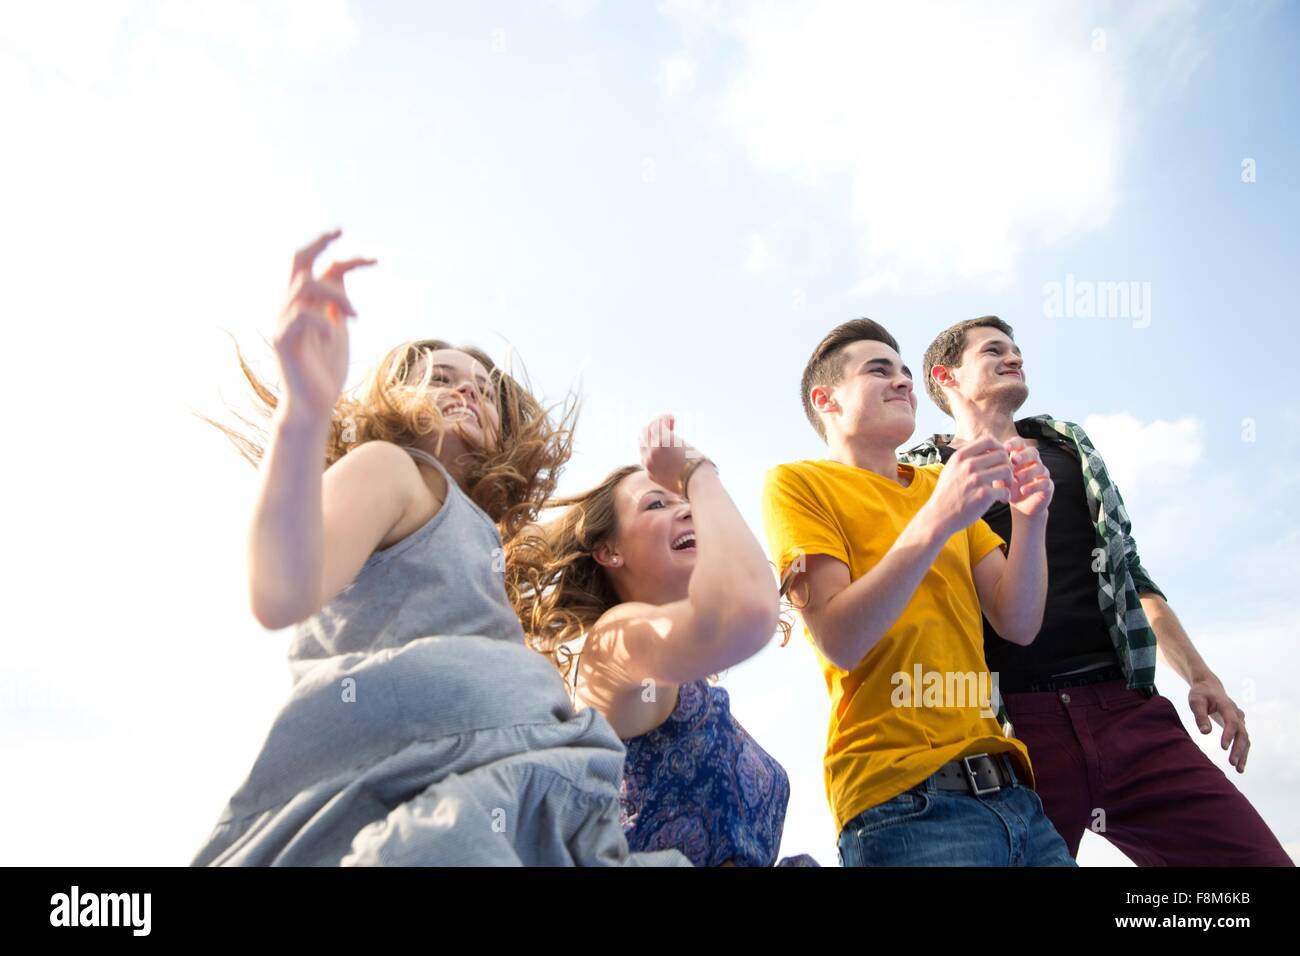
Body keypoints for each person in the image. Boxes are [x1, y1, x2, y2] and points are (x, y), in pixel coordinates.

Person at [191, 229, 689, 867]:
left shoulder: (479, 539)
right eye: (441, 377)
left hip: (523, 811)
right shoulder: (392, 469)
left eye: (483, 387)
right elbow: (282, 586)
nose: (468, 391)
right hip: (427, 814)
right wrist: (303, 408)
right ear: (392, 400)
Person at [898, 314, 1293, 866]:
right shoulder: (918, 475)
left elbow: (1130, 573)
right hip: (1011, 733)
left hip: (1127, 711)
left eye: (1016, 349)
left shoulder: (1069, 447)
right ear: (948, 376)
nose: (1014, 357)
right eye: (994, 351)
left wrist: (1202, 677)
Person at [761, 317, 1075, 866]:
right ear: (825, 399)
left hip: (1017, 797)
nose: (904, 381)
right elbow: (840, 638)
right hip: (904, 805)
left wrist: (1030, 519)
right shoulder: (797, 483)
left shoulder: (938, 484)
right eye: (879, 370)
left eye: (905, 370)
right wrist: (939, 518)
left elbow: (1017, 621)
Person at [507, 414, 817, 866]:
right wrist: (697, 473)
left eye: (684, 500)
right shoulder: (615, 641)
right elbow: (746, 612)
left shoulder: (687, 681)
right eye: (656, 505)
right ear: (609, 551)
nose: (687, 508)